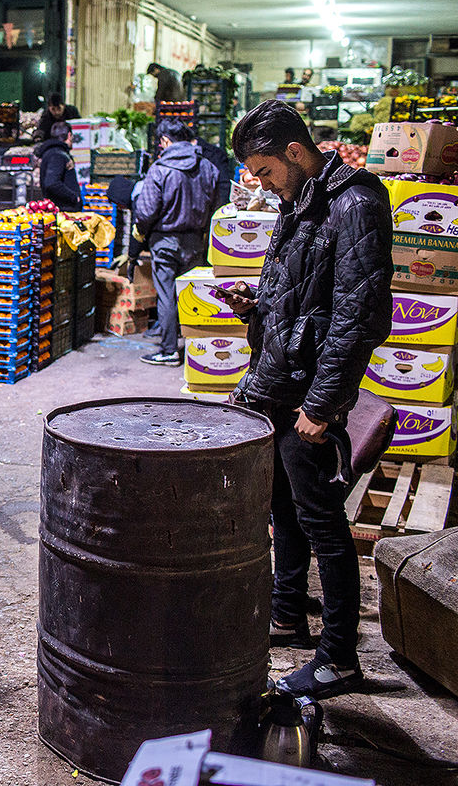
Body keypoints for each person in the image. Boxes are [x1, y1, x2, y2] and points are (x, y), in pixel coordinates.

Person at [217, 100, 392, 699]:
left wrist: (322, 405)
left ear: (295, 153)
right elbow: (302, 296)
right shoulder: (299, 201)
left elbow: (358, 316)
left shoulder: (356, 203)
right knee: (282, 508)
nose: (261, 185)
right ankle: (288, 613)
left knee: (322, 522)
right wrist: (257, 306)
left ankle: (340, 656)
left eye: (265, 171)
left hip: (307, 394)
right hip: (277, 381)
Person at [129, 119, 219, 366]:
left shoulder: (159, 169)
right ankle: (199, 349)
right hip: (195, 241)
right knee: (193, 295)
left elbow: (146, 212)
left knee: (167, 295)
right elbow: (216, 207)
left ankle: (169, 350)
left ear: (166, 141)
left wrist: (140, 237)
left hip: (165, 240)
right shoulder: (208, 168)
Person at [35, 121, 83, 212]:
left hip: (60, 208)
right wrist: (74, 197)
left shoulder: (52, 152)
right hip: (64, 209)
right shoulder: (57, 155)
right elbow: (52, 183)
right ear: (69, 135)